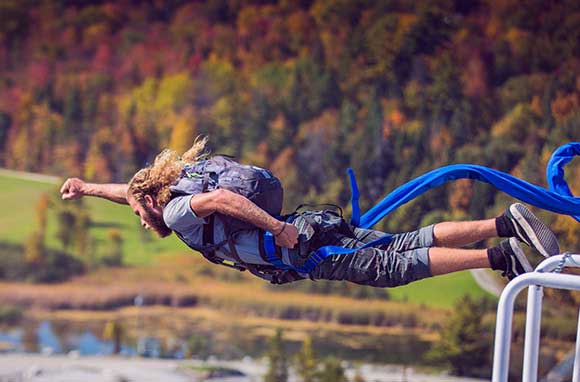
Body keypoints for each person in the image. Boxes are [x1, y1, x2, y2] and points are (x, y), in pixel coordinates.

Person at [60, 138, 561, 286]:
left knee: (392, 268)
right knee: (399, 244)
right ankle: (506, 224)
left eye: (136, 211)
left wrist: (279, 232)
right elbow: (129, 189)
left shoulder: (175, 211)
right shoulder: (181, 179)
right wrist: (86, 188)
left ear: (149, 201)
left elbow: (220, 202)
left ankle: (502, 257)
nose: (141, 221)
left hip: (299, 247)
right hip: (309, 226)